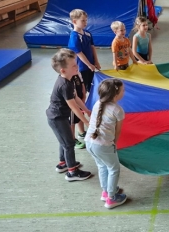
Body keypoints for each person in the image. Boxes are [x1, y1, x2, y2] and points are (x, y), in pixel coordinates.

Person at [46, 48, 92, 181]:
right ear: (63, 70)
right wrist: (86, 121)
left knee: (64, 140)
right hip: (57, 118)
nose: (77, 67)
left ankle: (63, 163)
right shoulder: (64, 85)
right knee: (69, 143)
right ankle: (72, 171)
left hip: (60, 116)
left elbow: (76, 97)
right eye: (74, 66)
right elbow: (74, 108)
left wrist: (86, 109)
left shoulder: (69, 79)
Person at [85, 78, 128, 209]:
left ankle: (106, 192)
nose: (124, 92)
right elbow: (117, 131)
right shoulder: (117, 110)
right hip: (103, 145)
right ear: (116, 94)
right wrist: (114, 144)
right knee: (114, 168)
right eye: (123, 90)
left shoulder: (98, 103)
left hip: (89, 142)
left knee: (102, 166)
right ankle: (112, 198)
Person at [67, 9, 100, 92]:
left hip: (91, 65)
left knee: (91, 86)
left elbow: (92, 47)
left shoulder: (88, 33)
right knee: (83, 89)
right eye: (83, 21)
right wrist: (88, 64)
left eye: (86, 20)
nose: (85, 23)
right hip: (82, 67)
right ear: (74, 21)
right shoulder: (74, 37)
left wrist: (96, 61)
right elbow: (79, 53)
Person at [71, 71, 86, 149]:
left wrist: (84, 95)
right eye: (73, 66)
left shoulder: (78, 73)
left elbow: (82, 84)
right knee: (72, 120)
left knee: (80, 114)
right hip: (72, 101)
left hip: (79, 99)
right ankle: (72, 139)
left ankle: (82, 132)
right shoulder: (67, 78)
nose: (76, 67)